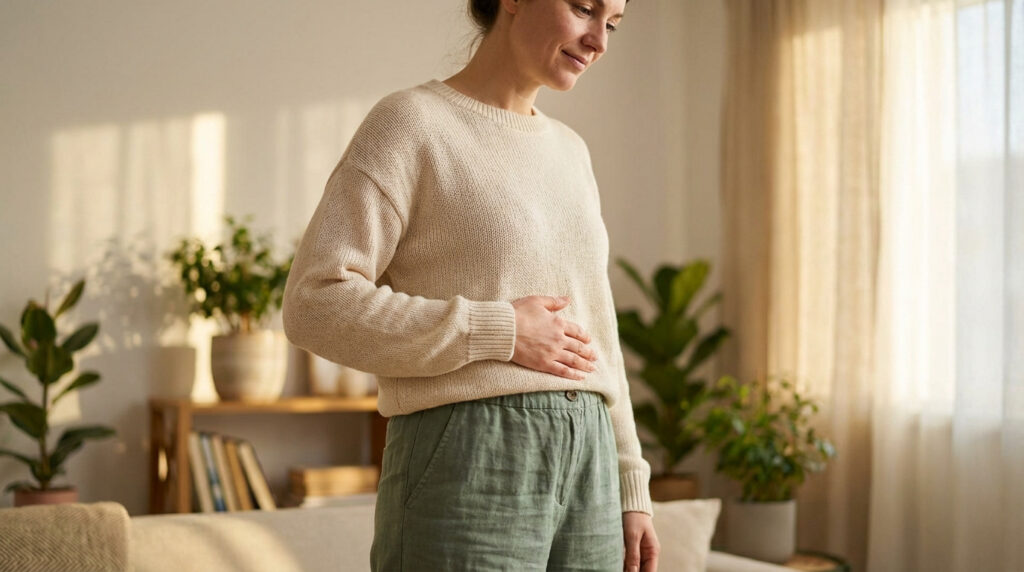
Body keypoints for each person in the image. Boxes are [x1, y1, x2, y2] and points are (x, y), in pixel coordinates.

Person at [282, 0, 660, 570]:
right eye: (584, 8)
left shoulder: (571, 152)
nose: (599, 41)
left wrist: (630, 481)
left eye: (612, 23)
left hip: (593, 469)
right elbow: (314, 302)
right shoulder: (412, 122)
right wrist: (498, 329)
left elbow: (597, 326)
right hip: (468, 451)